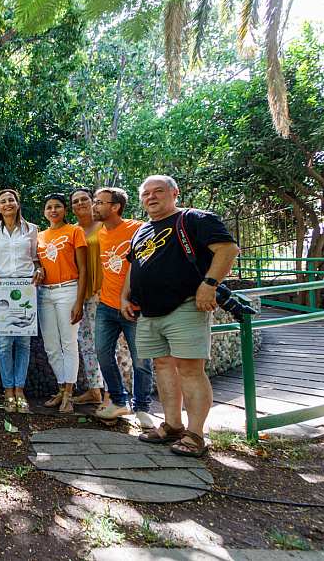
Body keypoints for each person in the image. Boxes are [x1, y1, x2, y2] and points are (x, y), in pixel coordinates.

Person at [124, 175, 240, 457]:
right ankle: (173, 426)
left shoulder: (195, 219)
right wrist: (124, 295)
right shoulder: (142, 231)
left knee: (190, 369)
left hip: (186, 305)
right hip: (149, 311)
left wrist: (209, 284)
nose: (151, 197)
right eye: (145, 194)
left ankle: (196, 434)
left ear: (174, 193)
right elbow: (134, 265)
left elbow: (228, 249)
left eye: (158, 191)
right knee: (162, 366)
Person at [92, 187, 155, 429]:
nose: (94, 206)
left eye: (99, 202)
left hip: (135, 307)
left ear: (115, 207)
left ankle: (142, 408)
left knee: (141, 359)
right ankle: (118, 401)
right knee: (103, 354)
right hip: (106, 305)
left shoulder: (137, 229)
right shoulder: (100, 232)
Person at [0, 189, 43, 413]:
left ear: (18, 204)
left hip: (26, 287)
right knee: (3, 343)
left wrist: (39, 269)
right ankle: (8, 391)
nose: (8, 204)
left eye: (11, 200)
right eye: (3, 201)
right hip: (1, 288)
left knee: (24, 342)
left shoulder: (32, 229)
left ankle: (20, 391)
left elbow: (36, 258)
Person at [36, 193, 88, 413]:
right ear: (44, 211)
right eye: (49, 207)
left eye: (58, 206)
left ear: (65, 210)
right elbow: (37, 263)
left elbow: (83, 269)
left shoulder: (75, 231)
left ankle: (69, 393)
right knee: (51, 346)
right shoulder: (38, 236)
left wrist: (79, 301)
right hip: (44, 293)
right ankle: (60, 389)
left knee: (68, 343)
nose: (53, 210)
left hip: (68, 290)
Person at [70, 188, 107, 406]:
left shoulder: (104, 226)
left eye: (85, 199)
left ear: (93, 202)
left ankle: (113, 395)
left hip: (102, 291)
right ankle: (94, 389)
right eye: (76, 201)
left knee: (104, 343)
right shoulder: (72, 231)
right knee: (84, 342)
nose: (80, 203)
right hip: (77, 292)